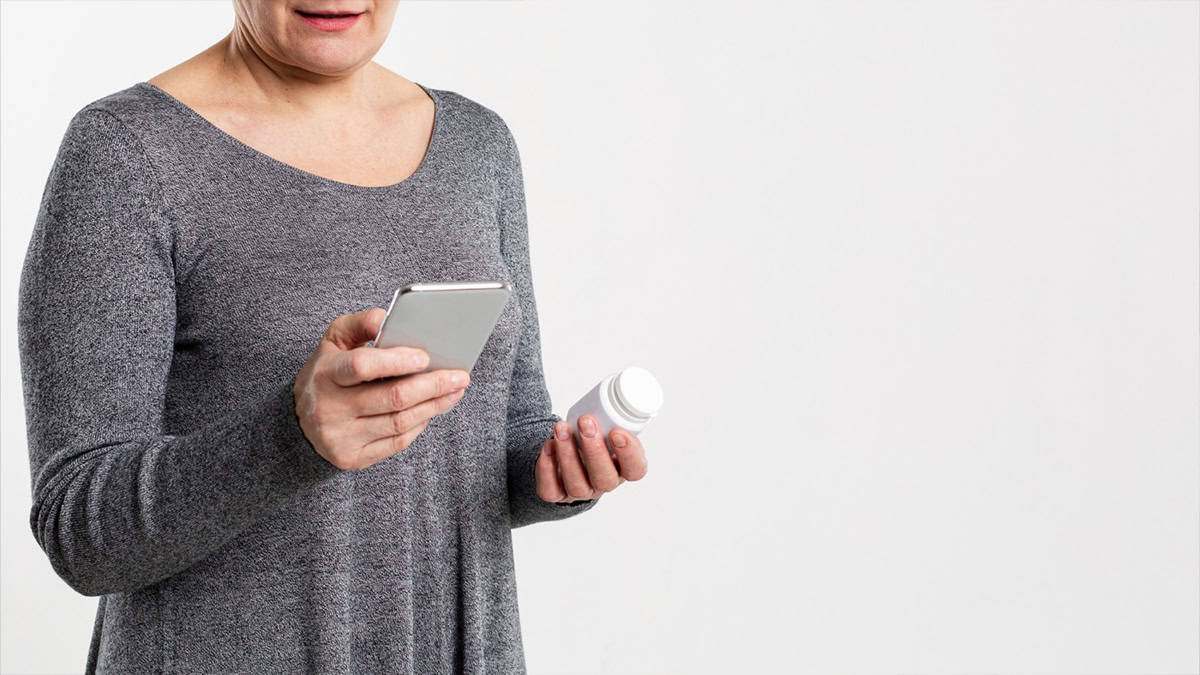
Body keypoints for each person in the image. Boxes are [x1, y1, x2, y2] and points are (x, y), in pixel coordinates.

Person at [15, 1, 650, 672]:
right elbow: (78, 531)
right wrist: (293, 437)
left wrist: (558, 469)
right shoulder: (126, 153)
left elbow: (501, 440)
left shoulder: (478, 148)